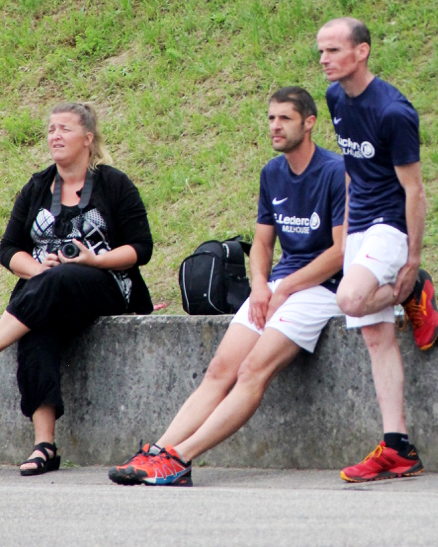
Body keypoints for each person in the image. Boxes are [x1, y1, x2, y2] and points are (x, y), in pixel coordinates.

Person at [108, 87, 345, 487]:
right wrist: (259, 286)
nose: (275, 126)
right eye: (271, 118)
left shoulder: (336, 172)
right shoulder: (272, 173)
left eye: (285, 118)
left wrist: (284, 288)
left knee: (253, 370)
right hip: (278, 284)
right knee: (220, 369)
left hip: (323, 288)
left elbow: (340, 252)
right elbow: (263, 244)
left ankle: (180, 459)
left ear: (309, 123)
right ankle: (159, 451)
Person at [0, 102, 153, 476]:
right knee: (38, 326)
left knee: (59, 280)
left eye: (64, 129)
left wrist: (93, 260)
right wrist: (38, 269)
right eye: (51, 129)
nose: (55, 135)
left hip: (105, 283)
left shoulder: (114, 184)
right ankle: (45, 446)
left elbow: (141, 248)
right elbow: (8, 248)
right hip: (46, 290)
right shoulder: (37, 186)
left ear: (87, 138)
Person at [317, 16, 438, 482]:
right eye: (321, 51)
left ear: (362, 51)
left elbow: (415, 190)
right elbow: (354, 170)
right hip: (361, 227)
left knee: (349, 299)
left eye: (333, 50)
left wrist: (412, 259)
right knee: (375, 337)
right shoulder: (335, 98)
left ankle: (414, 287)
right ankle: (398, 447)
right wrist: (350, 227)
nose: (324, 59)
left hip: (391, 225)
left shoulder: (394, 112)